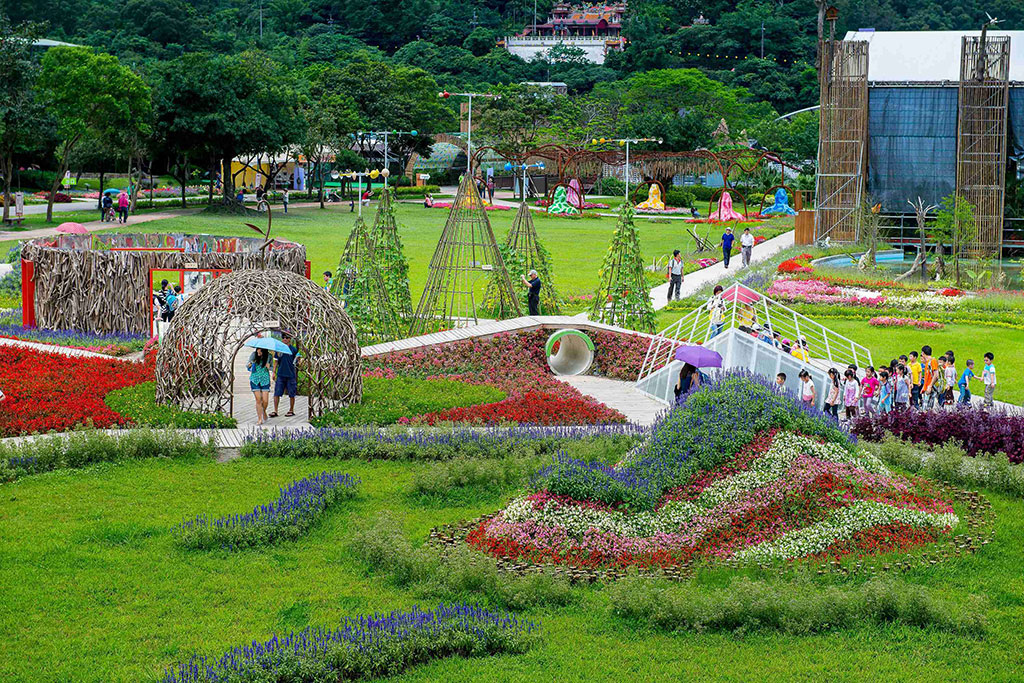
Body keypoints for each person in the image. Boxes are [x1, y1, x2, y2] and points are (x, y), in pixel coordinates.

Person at [270, 333, 299, 418]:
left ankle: (291, 410)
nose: (285, 339)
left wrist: (298, 361)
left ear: (290, 339)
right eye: (283, 338)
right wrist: (274, 372)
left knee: (292, 393)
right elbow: (276, 361)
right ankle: (275, 411)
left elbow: (297, 360)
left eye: (287, 337)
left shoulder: (293, 350)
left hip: (291, 375)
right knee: (277, 393)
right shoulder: (279, 350)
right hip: (280, 374)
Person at [247, 348, 272, 425]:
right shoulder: (253, 355)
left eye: (260, 350)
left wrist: (269, 367)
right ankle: (260, 418)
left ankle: (263, 410)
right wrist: (250, 365)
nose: (258, 351)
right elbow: (248, 366)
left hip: (265, 379)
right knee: (258, 400)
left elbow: (272, 368)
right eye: (257, 349)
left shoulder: (269, 356)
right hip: (255, 379)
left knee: (265, 400)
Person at [921, 345, 939, 410]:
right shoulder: (927, 362)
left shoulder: (932, 361)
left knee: (927, 409)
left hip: (931, 388)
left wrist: (930, 386)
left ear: (923, 353)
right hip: (927, 388)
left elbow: (936, 375)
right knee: (925, 408)